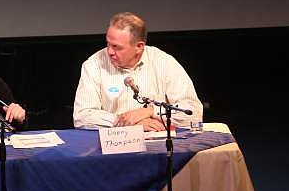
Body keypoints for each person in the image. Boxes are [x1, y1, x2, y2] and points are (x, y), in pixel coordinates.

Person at [73, 12, 203, 131]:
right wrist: (130, 123)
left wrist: (150, 111)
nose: (110, 52)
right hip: (115, 143)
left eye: (116, 47)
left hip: (158, 142)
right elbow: (82, 116)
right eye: (108, 44)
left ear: (139, 47)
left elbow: (193, 112)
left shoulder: (164, 62)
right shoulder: (94, 64)